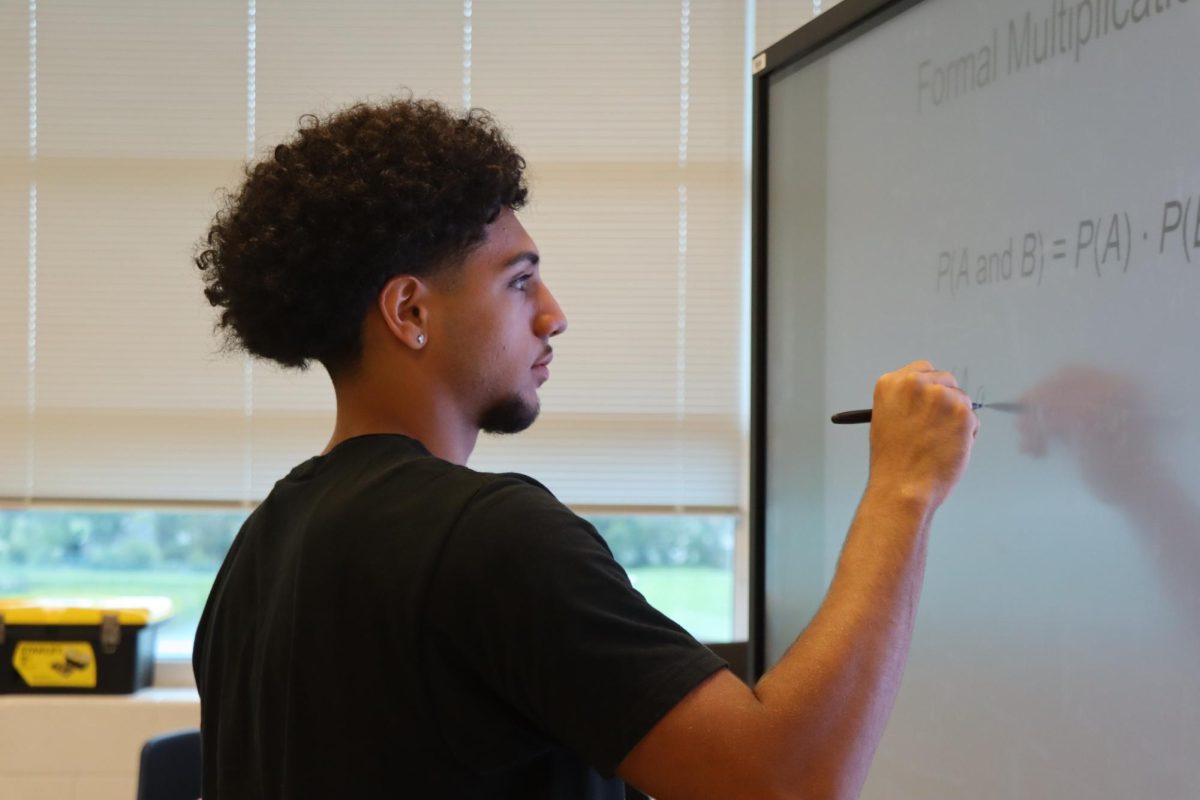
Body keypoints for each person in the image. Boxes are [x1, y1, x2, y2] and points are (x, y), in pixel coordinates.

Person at [193, 97, 978, 800]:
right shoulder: (490, 537)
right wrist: (904, 490)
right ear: (409, 310)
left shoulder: (266, 542)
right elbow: (785, 784)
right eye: (519, 281)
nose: (554, 315)